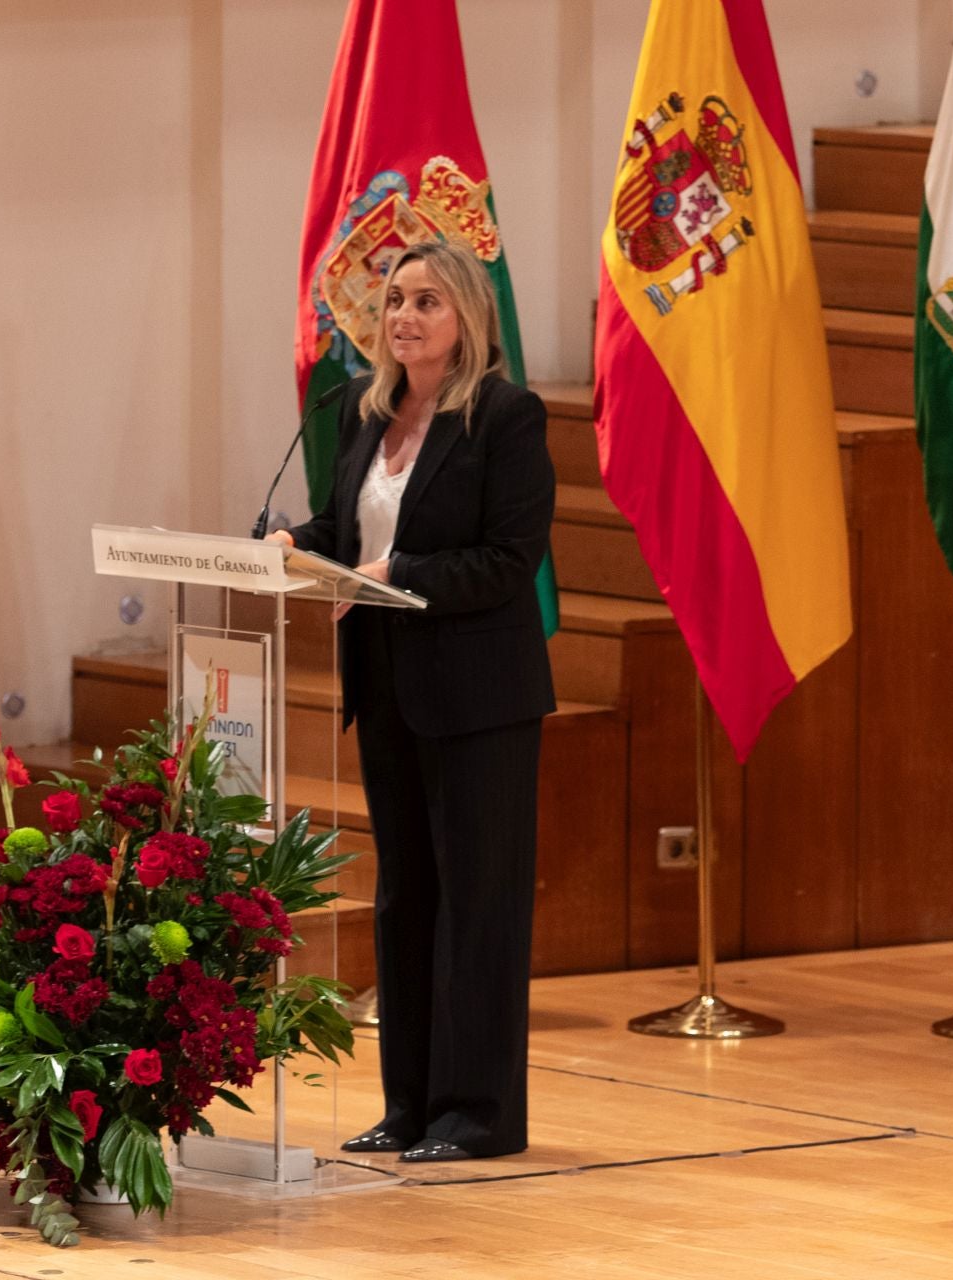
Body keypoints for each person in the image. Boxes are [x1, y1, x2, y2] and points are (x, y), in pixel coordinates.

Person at [269, 239, 555, 1161]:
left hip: (479, 697)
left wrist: (408, 573)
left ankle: (476, 1114)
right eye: (395, 301)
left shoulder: (506, 418)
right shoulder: (368, 414)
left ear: (468, 316)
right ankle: (411, 1106)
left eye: (427, 302)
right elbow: (347, 528)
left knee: (477, 902)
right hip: (388, 684)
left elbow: (511, 560)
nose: (404, 318)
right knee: (406, 900)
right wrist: (289, 543)